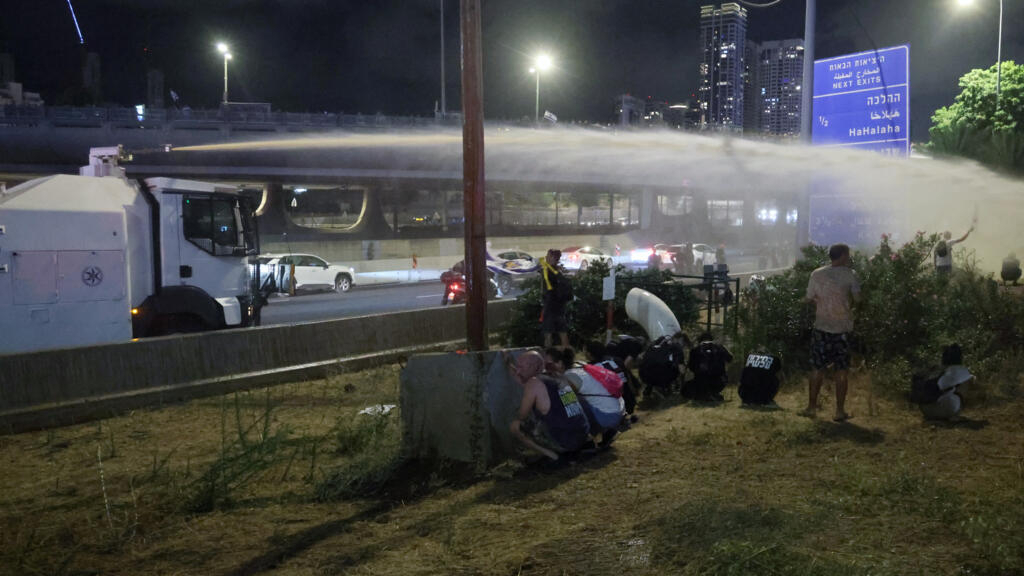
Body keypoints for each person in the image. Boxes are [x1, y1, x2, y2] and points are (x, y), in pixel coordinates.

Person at [804, 243, 861, 421]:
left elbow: (808, 298)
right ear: (843, 256)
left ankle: (812, 408)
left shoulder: (817, 273)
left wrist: (820, 302)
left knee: (817, 368)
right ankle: (839, 411)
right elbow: (858, 299)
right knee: (841, 370)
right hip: (842, 329)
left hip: (821, 327)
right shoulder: (850, 275)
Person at [506, 350, 591, 462]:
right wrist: (507, 362)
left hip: (568, 441)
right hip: (582, 434)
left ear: (534, 367)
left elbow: (522, 415)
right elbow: (520, 379)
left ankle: (555, 458)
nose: (518, 371)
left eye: (521, 367)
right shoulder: (557, 376)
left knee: (516, 426)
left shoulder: (534, 383)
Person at [546, 347, 622, 447]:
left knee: (568, 404)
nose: (546, 368)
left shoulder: (568, 378)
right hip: (616, 409)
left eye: (548, 365)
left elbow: (570, 406)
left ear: (559, 363)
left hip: (608, 416)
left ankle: (587, 439)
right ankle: (605, 431)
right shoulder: (580, 364)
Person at [585, 340, 639, 418]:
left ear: (589, 354)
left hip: (613, 409)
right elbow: (628, 380)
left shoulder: (589, 369)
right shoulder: (617, 360)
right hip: (629, 401)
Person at [920, 344, 974, 421]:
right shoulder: (959, 369)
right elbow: (971, 380)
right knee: (965, 384)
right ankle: (954, 415)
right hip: (945, 408)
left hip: (925, 410)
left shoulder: (935, 369)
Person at [682, 331, 733, 402]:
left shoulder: (695, 350)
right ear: (711, 339)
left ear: (700, 340)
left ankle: (705, 394)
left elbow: (691, 367)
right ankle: (712, 394)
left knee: (687, 388)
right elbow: (730, 358)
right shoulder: (719, 347)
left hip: (700, 382)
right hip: (719, 382)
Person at [638, 331, 689, 397]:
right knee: (675, 367)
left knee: (657, 365)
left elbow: (642, 357)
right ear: (681, 340)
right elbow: (682, 370)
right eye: (684, 344)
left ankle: (650, 385)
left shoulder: (657, 342)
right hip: (661, 377)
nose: (683, 346)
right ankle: (664, 388)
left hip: (643, 375)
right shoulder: (677, 347)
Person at [540, 249, 571, 348]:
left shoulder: (548, 271)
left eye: (548, 256)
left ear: (553, 258)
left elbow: (545, 291)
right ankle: (567, 357)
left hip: (550, 307)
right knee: (563, 333)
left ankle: (549, 358)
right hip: (561, 307)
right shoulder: (560, 271)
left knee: (548, 335)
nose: (546, 258)